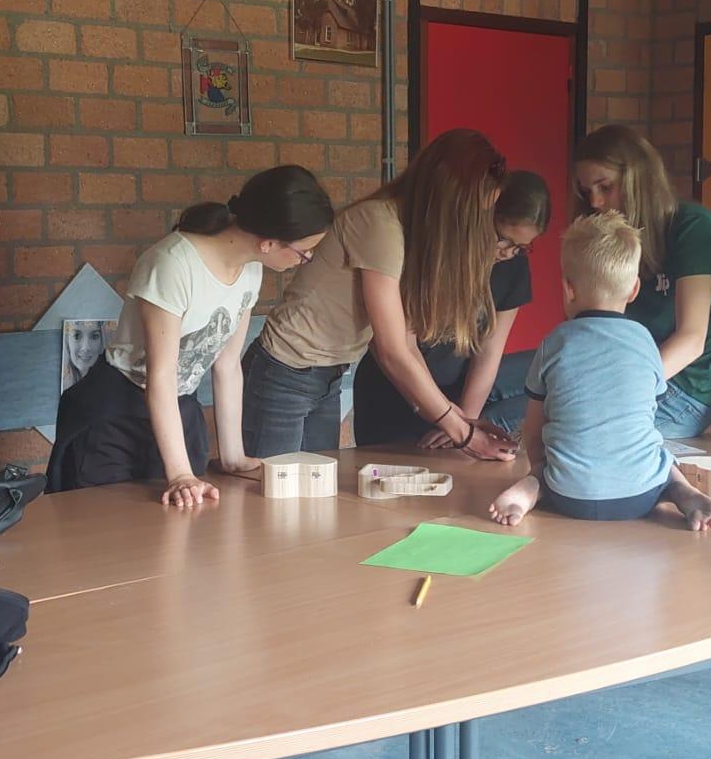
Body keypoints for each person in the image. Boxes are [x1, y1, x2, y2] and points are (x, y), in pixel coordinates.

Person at [47, 164, 336, 506]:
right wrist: (180, 475)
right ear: (269, 243)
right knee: (108, 524)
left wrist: (234, 457)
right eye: (305, 252)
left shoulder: (250, 271)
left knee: (184, 523)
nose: (306, 259)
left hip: (179, 409)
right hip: (116, 417)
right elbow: (161, 375)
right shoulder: (173, 264)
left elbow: (227, 365)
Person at [242, 129, 519, 462]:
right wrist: (464, 434)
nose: (475, 222)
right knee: (275, 485)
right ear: (447, 194)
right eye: (473, 209)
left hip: (326, 374)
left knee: (317, 488)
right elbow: (391, 351)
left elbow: (407, 343)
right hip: (284, 371)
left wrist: (458, 421)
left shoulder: (408, 232)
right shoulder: (379, 224)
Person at [489, 212, 711, 531]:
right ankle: (681, 490)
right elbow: (646, 414)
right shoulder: (645, 342)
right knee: (659, 457)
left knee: (550, 467)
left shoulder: (556, 341)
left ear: (568, 289)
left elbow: (533, 426)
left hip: (568, 495)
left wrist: (539, 467)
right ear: (634, 289)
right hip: (640, 494)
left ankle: (532, 487)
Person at [350, 169, 550, 447]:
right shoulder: (436, 253)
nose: (507, 253)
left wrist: (466, 421)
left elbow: (489, 352)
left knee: (550, 369)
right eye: (502, 239)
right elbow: (400, 347)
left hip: (455, 397)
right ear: (482, 218)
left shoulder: (512, 268)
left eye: (521, 247)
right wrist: (447, 418)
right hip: (397, 392)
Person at [571, 123, 711, 441]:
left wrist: (610, 391)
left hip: (679, 389)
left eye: (605, 187)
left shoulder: (696, 229)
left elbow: (690, 340)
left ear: (638, 181)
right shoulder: (616, 233)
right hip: (621, 366)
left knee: (533, 419)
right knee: (507, 389)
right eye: (586, 191)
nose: (594, 202)